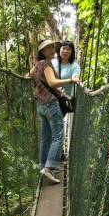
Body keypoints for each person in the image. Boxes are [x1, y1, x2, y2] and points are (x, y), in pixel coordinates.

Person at [27, 39, 80, 184]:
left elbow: (28, 76)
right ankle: (49, 168)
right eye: (47, 48)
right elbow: (52, 83)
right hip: (51, 104)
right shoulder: (47, 64)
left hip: (40, 105)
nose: (52, 49)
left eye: (52, 47)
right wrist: (71, 80)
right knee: (58, 136)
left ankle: (43, 166)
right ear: (42, 51)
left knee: (45, 138)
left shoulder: (37, 64)